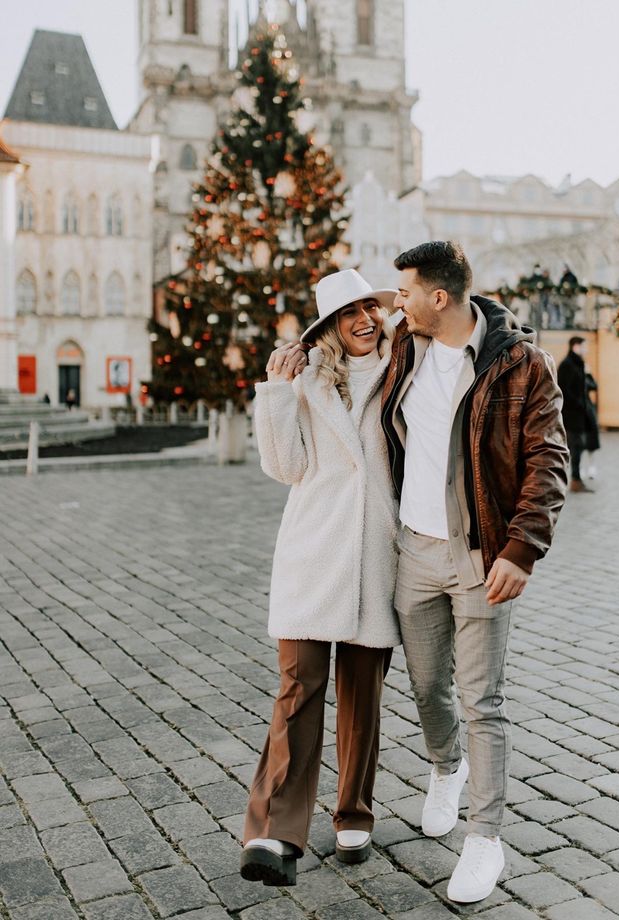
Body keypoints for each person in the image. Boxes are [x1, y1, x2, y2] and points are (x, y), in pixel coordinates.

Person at [382, 241, 568, 903]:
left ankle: (486, 839)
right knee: (428, 685)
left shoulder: (522, 365)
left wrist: (522, 550)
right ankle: (444, 769)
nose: (395, 302)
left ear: (439, 297)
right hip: (413, 550)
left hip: (482, 555)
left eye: (405, 291)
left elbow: (548, 464)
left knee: (481, 699)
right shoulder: (404, 347)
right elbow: (348, 334)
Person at [240, 269, 401, 887]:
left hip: (378, 554)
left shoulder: (402, 374)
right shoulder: (306, 382)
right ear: (329, 326)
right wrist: (277, 392)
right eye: (349, 312)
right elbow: (286, 466)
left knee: (363, 698)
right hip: (313, 551)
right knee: (298, 691)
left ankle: (353, 813)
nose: (363, 319)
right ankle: (274, 832)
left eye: (370, 307)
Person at [557, 336, 592, 493]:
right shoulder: (567, 365)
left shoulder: (578, 364)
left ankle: (574, 479)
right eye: (583, 346)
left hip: (578, 414)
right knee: (575, 447)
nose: (586, 349)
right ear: (575, 346)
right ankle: (574, 481)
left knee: (577, 446)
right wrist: (578, 404)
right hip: (571, 414)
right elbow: (563, 390)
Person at [582, 370, 600, 479]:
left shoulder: (586, 377)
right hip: (576, 413)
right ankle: (579, 468)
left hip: (588, 411)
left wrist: (589, 374)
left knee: (591, 440)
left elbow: (594, 386)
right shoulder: (572, 374)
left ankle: (591, 467)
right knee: (577, 443)